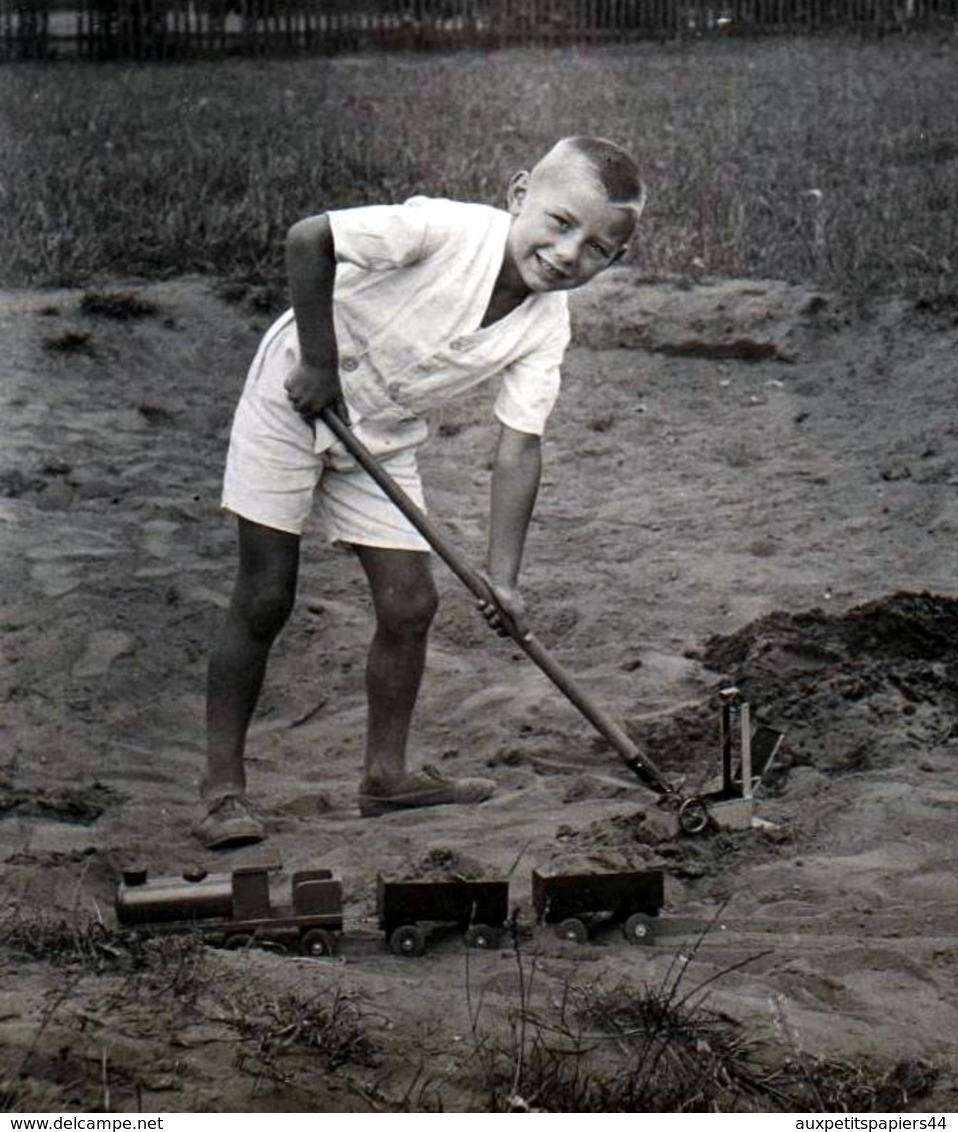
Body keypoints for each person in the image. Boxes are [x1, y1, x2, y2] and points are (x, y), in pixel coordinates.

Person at [194, 135, 647, 849]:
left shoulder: (544, 328)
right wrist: (319, 361)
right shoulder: (446, 229)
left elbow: (519, 445)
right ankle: (222, 790)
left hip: (382, 432)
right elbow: (309, 239)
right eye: (561, 223)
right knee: (265, 594)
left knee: (411, 603)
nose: (567, 254)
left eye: (595, 249)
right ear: (519, 192)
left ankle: (387, 777)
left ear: (614, 262)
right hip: (296, 392)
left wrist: (504, 581)